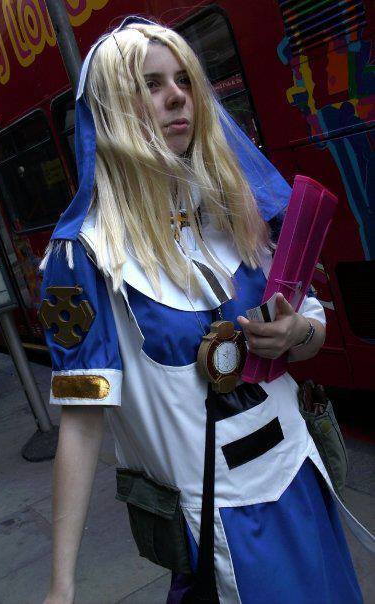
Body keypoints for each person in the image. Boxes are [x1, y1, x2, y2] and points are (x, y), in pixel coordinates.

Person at [41, 17, 368, 604]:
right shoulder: (84, 253)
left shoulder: (235, 205)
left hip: (301, 475)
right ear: (112, 108)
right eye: (151, 84)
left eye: (184, 80)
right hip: (216, 519)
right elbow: (83, 419)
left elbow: (313, 328)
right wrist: (61, 585)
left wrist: (297, 332)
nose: (177, 97)